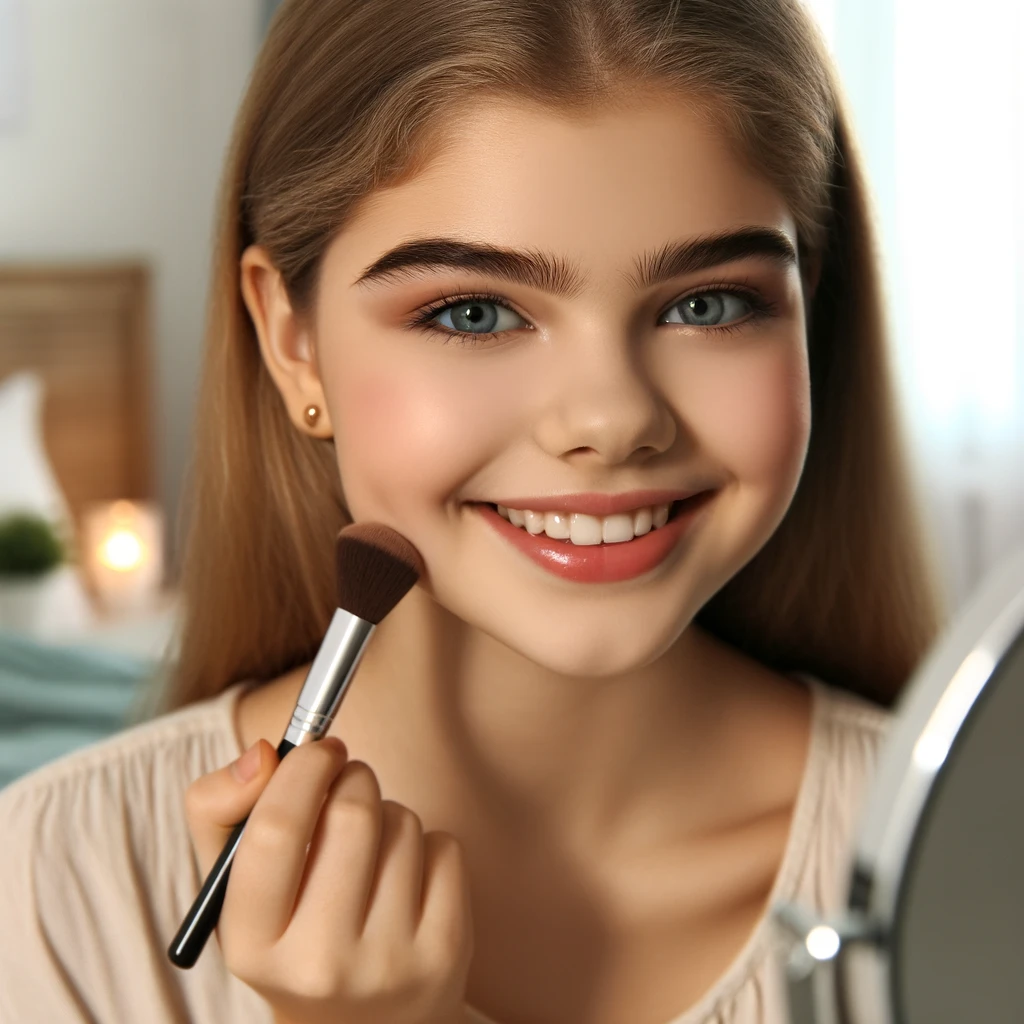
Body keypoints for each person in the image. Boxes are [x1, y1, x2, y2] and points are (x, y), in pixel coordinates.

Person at [0, 0, 949, 1021]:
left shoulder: (975, 850)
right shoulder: (54, 890)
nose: (611, 418)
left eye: (706, 303)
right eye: (473, 312)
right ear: (293, 342)